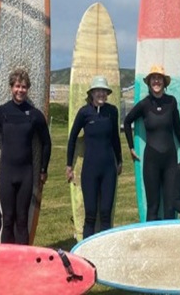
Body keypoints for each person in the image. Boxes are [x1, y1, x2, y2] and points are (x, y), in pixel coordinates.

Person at [0, 68, 52, 245]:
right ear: (11, 87)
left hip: (26, 173)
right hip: (7, 173)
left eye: (24, 87)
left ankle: (23, 258)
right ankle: (7, 257)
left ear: (28, 89)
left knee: (22, 220)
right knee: (8, 219)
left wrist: (43, 169)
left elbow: (46, 142)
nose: (20, 90)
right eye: (17, 86)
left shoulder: (34, 115)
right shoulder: (2, 112)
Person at [123, 65, 180, 221]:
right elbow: (127, 122)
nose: (156, 81)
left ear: (164, 82)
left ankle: (170, 237)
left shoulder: (171, 102)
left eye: (159, 78)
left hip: (170, 160)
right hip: (151, 160)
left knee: (170, 206)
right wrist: (131, 147)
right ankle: (150, 237)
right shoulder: (144, 104)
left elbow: (177, 127)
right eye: (153, 78)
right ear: (149, 82)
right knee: (153, 207)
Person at [66, 76, 122, 238]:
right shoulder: (84, 112)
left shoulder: (112, 111)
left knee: (105, 214)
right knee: (90, 215)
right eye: (98, 91)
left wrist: (119, 160)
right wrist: (69, 165)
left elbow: (115, 138)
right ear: (91, 93)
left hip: (108, 170)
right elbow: (72, 138)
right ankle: (86, 250)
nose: (101, 94)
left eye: (103, 91)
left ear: (107, 93)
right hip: (90, 170)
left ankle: (105, 249)